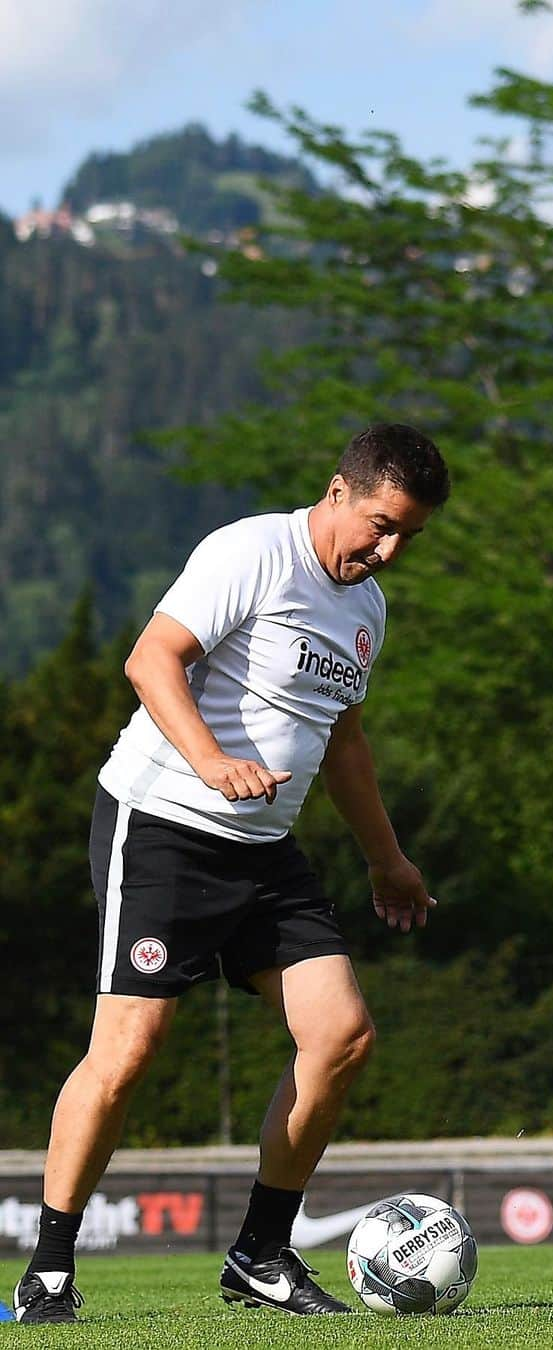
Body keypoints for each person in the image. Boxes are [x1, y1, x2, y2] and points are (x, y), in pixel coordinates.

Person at [13, 424, 451, 1324]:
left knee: (343, 1037)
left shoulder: (366, 609)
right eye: (379, 524)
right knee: (128, 1053)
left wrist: (389, 860)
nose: (389, 549)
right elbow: (151, 658)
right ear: (338, 490)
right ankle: (48, 1270)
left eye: (409, 535)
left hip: (264, 850)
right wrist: (212, 762)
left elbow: (346, 744)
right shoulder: (252, 550)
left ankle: (259, 1255)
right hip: (165, 826)